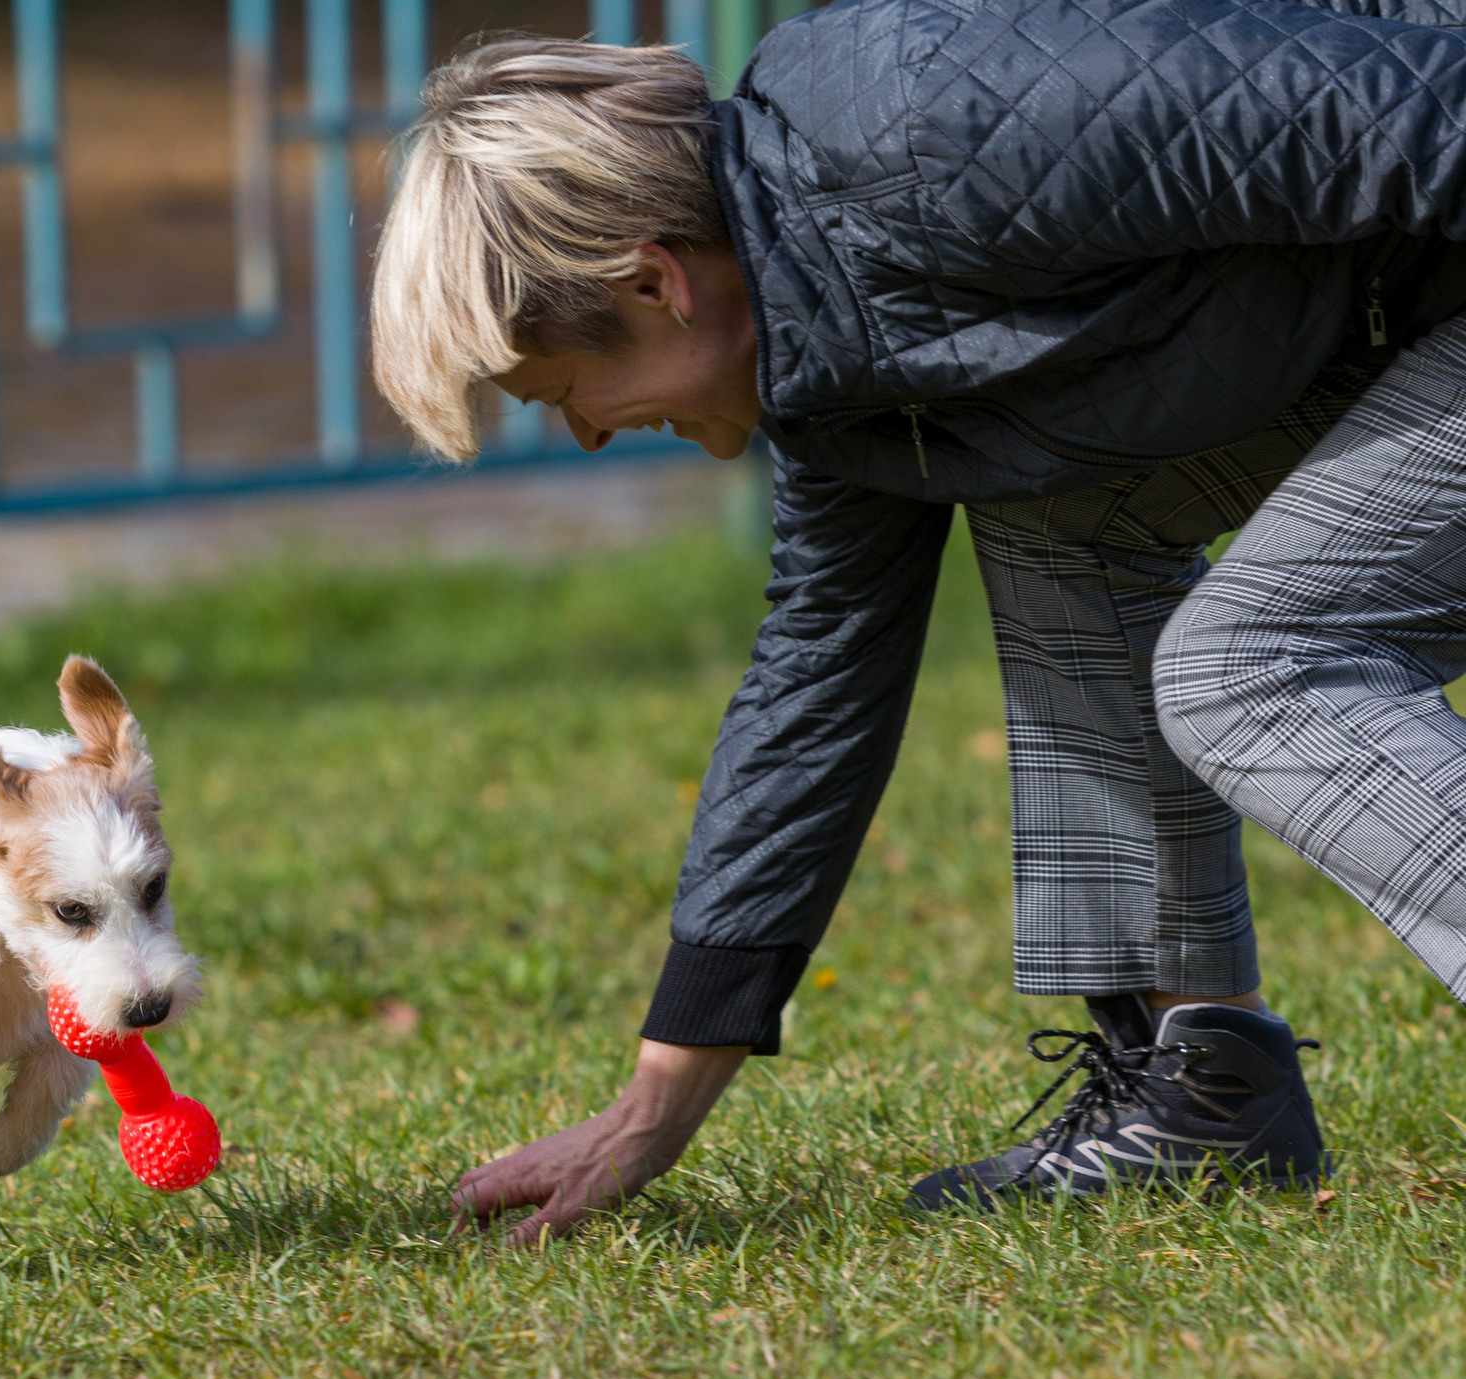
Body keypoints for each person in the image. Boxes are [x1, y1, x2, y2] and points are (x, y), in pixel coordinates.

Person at [368, 0, 1466, 1238]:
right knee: (1053, 510)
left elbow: (1425, 112)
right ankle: (1201, 1086)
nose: (582, 432)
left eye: (562, 389)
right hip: (1399, 313)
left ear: (652, 283)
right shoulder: (829, 353)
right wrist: (651, 1109)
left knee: (1249, 671)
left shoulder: (933, 122)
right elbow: (816, 686)